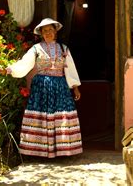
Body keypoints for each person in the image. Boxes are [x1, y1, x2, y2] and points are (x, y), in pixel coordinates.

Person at [5, 18, 83, 158]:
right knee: (40, 116)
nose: (48, 33)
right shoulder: (36, 49)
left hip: (60, 87)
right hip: (41, 87)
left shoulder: (64, 49)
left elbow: (70, 69)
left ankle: (63, 150)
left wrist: (75, 87)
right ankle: (38, 151)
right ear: (41, 33)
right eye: (45, 31)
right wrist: (8, 69)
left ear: (55, 32)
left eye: (50, 30)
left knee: (61, 115)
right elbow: (25, 64)